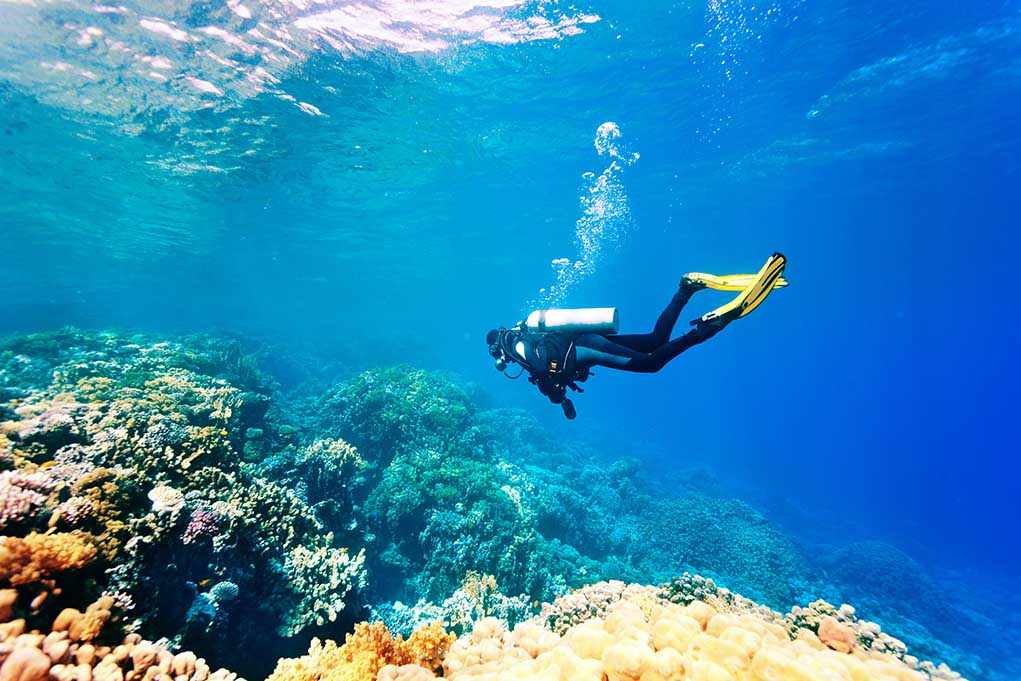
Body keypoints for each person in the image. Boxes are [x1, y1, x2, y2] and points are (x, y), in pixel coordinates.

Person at [486, 253, 787, 419]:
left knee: (650, 363)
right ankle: (686, 289)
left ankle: (711, 325)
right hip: (583, 342)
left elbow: (543, 371)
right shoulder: (522, 335)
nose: (501, 362)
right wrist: (562, 399)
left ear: (497, 349)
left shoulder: (515, 347)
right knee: (655, 340)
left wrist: (554, 394)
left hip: (582, 348)